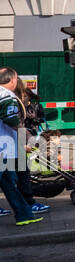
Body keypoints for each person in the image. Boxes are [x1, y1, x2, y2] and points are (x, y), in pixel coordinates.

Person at [0, 68, 41, 226]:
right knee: (9, 183)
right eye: (16, 79)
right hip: (4, 148)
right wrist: (27, 135)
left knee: (9, 184)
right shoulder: (6, 95)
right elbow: (10, 118)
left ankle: (24, 215)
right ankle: (24, 214)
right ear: (12, 80)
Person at [15, 84, 49, 213]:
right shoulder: (13, 106)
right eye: (23, 96)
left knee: (15, 178)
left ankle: (26, 205)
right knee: (16, 177)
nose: (24, 98)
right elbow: (14, 126)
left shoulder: (28, 107)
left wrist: (34, 118)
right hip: (13, 146)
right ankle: (27, 205)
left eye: (26, 96)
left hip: (21, 142)